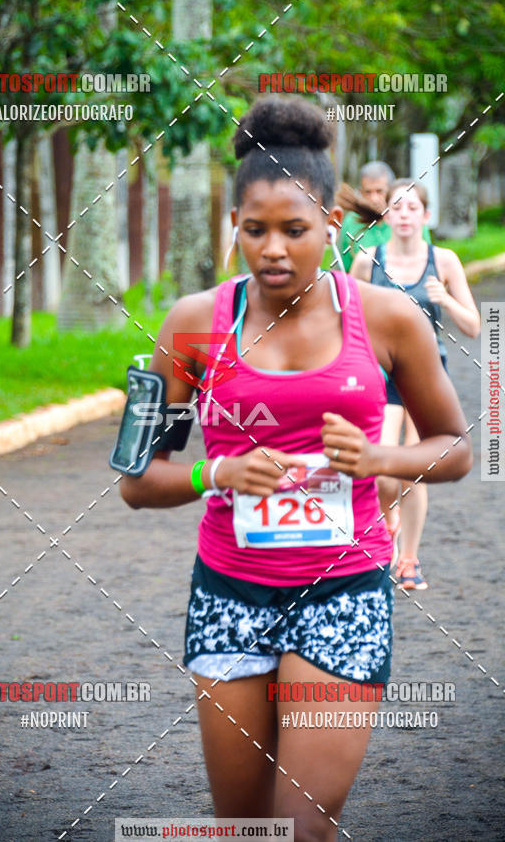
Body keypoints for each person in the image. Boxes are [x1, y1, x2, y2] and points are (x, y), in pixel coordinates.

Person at [118, 97, 472, 840]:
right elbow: (136, 479)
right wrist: (214, 477)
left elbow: (456, 446)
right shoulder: (191, 324)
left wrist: (379, 459)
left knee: (303, 827)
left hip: (342, 596)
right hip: (229, 597)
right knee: (245, 827)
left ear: (333, 228)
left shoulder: (387, 318)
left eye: (294, 230)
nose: (273, 249)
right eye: (254, 230)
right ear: (235, 229)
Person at [351, 180, 480, 590]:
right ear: (386, 216)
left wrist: (444, 299)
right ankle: (389, 518)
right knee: (381, 464)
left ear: (426, 217)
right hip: (380, 374)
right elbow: (349, 319)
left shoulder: (443, 261)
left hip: (426, 374)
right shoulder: (367, 261)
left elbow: (475, 327)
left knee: (414, 466)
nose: (404, 214)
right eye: (397, 207)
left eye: (413, 207)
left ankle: (408, 560)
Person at [337, 161, 432, 272]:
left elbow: (428, 264)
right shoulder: (352, 221)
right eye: (368, 192)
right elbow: (343, 270)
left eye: (380, 191)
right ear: (361, 193)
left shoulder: (411, 219)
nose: (374, 199)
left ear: (391, 191)